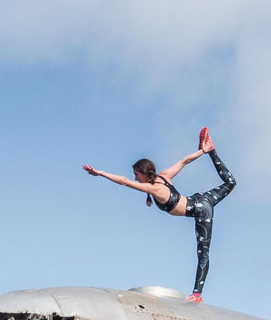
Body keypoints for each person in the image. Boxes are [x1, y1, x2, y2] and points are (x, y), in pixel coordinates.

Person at [83, 127, 236, 303]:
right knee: (231, 183)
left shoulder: (154, 188)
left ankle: (197, 295)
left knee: (203, 252)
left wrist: (100, 173)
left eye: (137, 175)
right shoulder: (164, 176)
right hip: (200, 199)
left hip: (201, 209)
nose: (135, 179)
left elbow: (124, 182)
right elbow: (185, 161)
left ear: (144, 173)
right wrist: (203, 151)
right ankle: (212, 150)